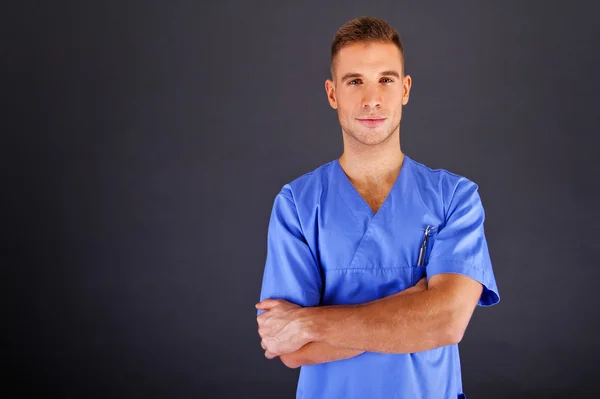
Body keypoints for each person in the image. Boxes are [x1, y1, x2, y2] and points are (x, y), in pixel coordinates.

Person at [255, 16, 500, 399]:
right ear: (332, 93)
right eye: (355, 81)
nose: (372, 99)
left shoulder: (454, 197)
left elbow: (448, 322)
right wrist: (411, 307)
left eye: (386, 79)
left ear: (405, 89)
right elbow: (290, 348)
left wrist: (311, 322)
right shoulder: (298, 205)